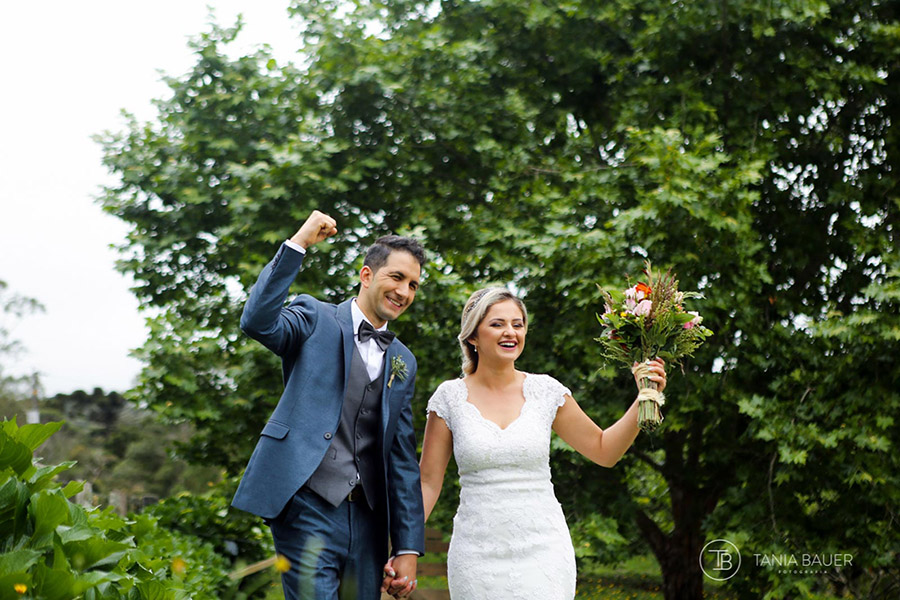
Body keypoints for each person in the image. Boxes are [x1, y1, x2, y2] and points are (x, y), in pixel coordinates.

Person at [384, 287, 666, 599]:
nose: (511, 332)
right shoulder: (449, 397)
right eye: (498, 324)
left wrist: (644, 398)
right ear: (472, 336)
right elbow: (427, 483)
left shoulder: (546, 391)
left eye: (517, 324)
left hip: (544, 550)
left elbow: (604, 450)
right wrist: (404, 547)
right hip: (476, 555)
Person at [232, 210, 426, 600]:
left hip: (369, 520)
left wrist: (407, 546)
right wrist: (298, 243)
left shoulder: (403, 360)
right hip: (307, 506)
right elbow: (257, 322)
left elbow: (402, 458)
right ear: (367, 275)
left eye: (413, 285)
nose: (404, 292)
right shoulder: (314, 317)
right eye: (396, 277)